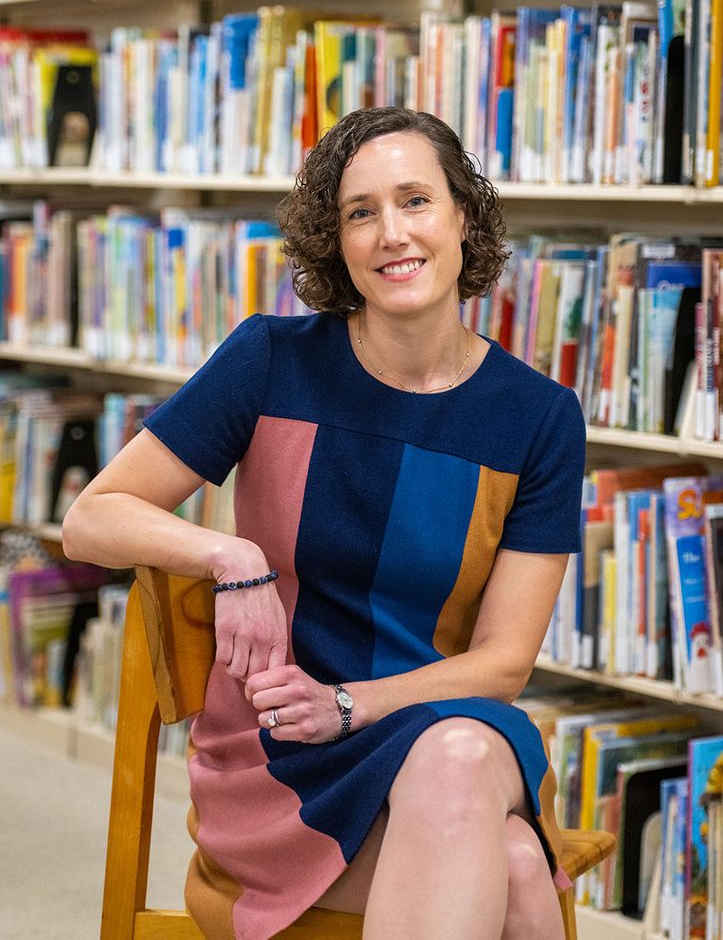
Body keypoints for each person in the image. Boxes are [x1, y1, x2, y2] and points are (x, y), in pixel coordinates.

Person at [62, 106, 586, 940]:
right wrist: (230, 556)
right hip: (280, 762)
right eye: (359, 212)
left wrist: (352, 703)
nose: (391, 233)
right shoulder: (271, 361)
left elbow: (502, 664)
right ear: (335, 242)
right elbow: (91, 518)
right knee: (517, 867)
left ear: (462, 216)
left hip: (431, 722)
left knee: (456, 756)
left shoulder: (538, 418)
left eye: (415, 200)